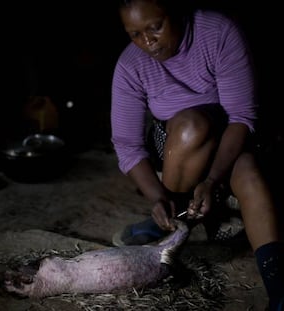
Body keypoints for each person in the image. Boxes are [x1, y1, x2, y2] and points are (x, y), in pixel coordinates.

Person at [110, 0, 284, 310]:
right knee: (190, 126)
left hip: (234, 135)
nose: (147, 43)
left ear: (174, 11)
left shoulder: (217, 32)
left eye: (155, 28)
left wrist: (213, 180)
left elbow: (242, 117)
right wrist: (155, 198)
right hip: (177, 143)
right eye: (134, 34)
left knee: (250, 176)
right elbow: (127, 144)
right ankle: (172, 213)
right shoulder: (130, 64)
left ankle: (279, 292)